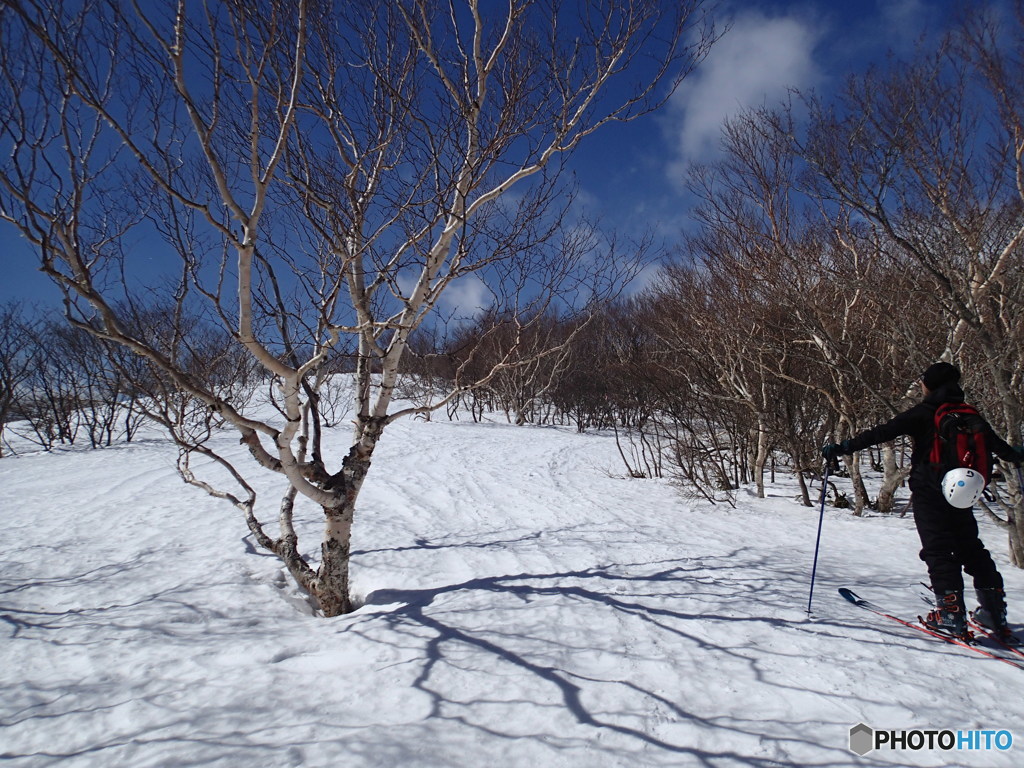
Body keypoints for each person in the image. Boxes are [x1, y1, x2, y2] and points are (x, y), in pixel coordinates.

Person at [822, 362, 1024, 640]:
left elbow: (881, 433)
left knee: (939, 551)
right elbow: (999, 448)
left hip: (930, 492)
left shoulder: (924, 413)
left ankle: (950, 615)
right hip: (964, 494)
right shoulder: (970, 414)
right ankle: (994, 612)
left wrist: (842, 448)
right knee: (972, 549)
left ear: (929, 385)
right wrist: (1017, 454)